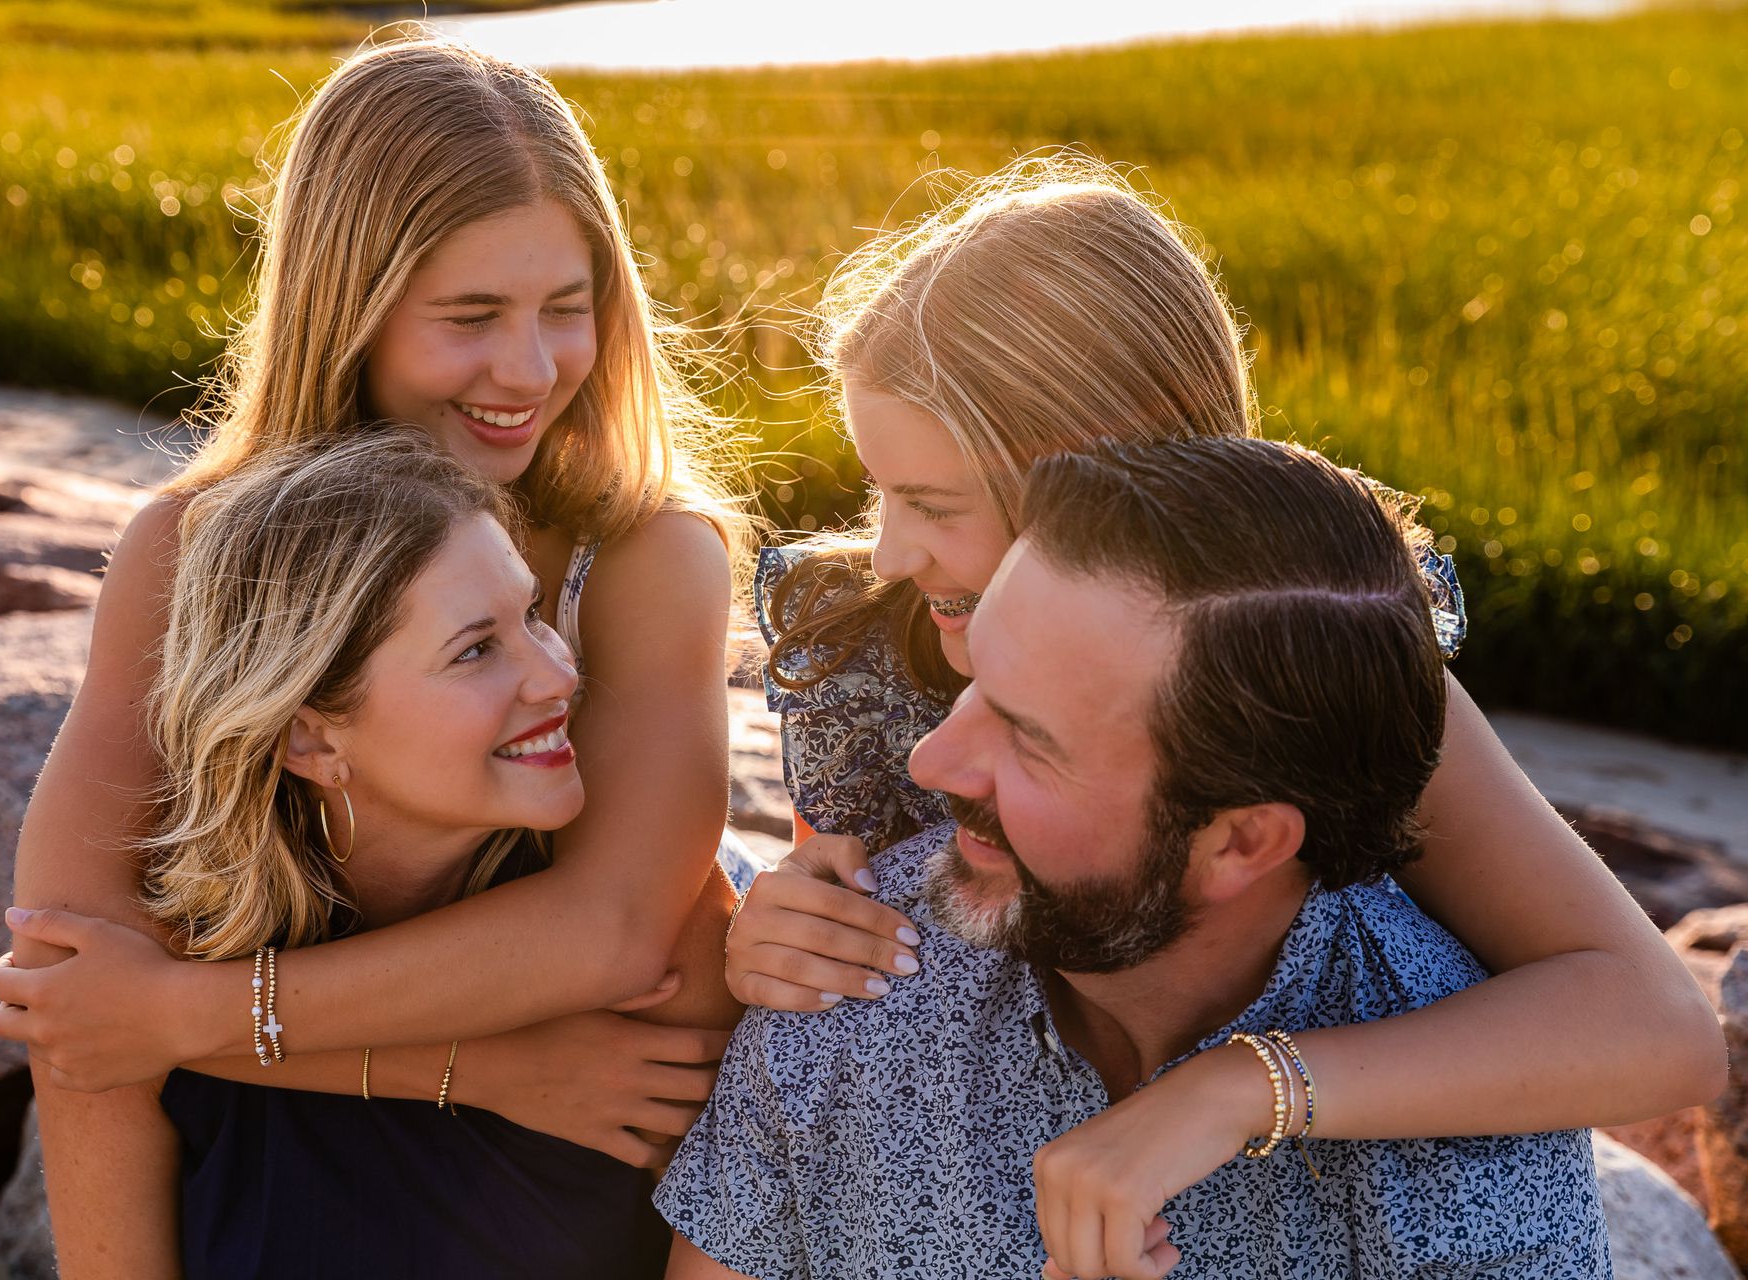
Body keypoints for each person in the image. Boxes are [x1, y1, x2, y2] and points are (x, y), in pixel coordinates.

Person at [718, 156, 1721, 1274]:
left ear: (1103, 487)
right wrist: (768, 935)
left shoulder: (1301, 670)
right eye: (877, 491)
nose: (890, 550)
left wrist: (1241, 1084)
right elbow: (830, 942)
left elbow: (1658, 1029)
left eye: (932, 504)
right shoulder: (870, 648)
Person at [0, 35, 751, 1277]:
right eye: (470, 316)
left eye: (567, 308)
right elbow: (74, 991)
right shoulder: (192, 549)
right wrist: (476, 1066)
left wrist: (183, 1010)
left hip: (559, 1182)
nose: (530, 369)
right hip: (292, 1149)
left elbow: (612, 929)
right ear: (349, 304)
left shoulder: (642, 554)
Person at [661, 435, 1613, 1279]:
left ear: (1240, 841)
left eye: (1031, 741)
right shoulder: (851, 971)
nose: (931, 763)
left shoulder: (1469, 1162)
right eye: (975, 683)